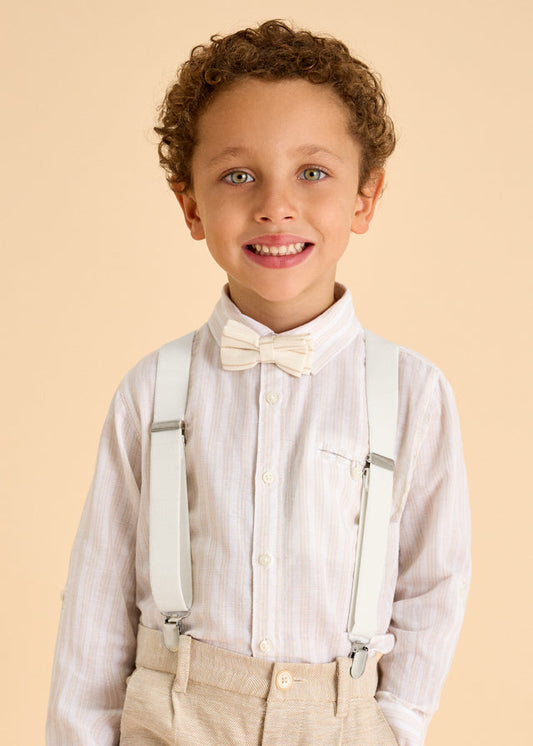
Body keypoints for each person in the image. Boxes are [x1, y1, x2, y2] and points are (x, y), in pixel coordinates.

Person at [46, 19, 471, 746]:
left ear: (365, 198)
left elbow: (433, 581)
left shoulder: (412, 393)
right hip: (172, 717)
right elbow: (97, 594)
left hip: (340, 722)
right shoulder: (153, 389)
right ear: (191, 205)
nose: (276, 205)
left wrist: (394, 726)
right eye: (238, 175)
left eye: (313, 172)